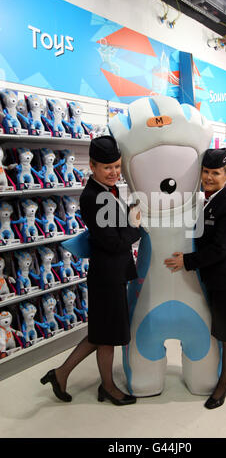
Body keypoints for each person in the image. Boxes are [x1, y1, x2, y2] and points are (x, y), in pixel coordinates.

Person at [40, 135, 142, 406]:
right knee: (106, 337)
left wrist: (130, 214)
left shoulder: (111, 191)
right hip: (107, 275)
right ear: (93, 167)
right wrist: (138, 226)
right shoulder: (93, 197)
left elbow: (116, 227)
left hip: (113, 272)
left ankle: (60, 374)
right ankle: (108, 387)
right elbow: (113, 242)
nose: (114, 173)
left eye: (118, 167)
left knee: (99, 333)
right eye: (108, 168)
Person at [164, 148, 226, 410]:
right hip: (219, 278)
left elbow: (221, 249)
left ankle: (223, 385)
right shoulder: (208, 200)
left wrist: (187, 261)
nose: (209, 177)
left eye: (215, 173)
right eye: (205, 172)